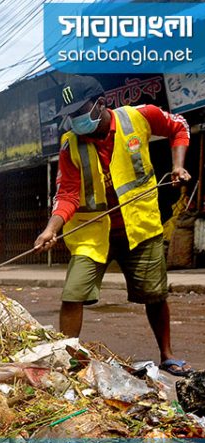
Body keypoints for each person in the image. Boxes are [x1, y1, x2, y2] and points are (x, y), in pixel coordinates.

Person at [34, 75, 192, 376]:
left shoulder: (139, 117)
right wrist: (51, 228)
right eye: (70, 115)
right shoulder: (70, 144)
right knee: (72, 293)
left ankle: (167, 355)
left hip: (140, 227)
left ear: (101, 103)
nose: (75, 120)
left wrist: (177, 165)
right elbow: (67, 192)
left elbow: (179, 127)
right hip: (93, 234)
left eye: (81, 111)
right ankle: (69, 363)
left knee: (155, 296)